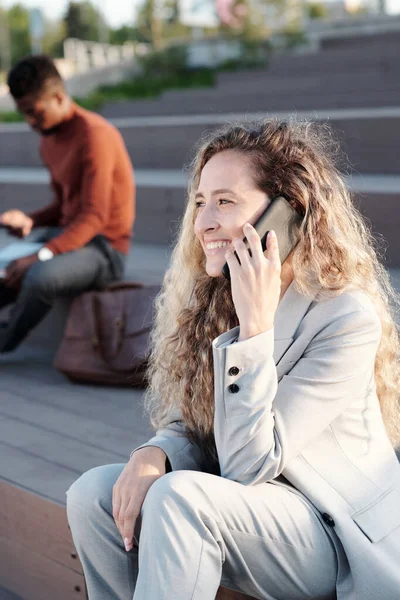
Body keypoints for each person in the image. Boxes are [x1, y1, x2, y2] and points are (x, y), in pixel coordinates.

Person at [66, 119, 400, 600]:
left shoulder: (345, 319)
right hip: (255, 514)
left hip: (334, 537)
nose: (203, 222)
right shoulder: (216, 300)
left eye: (225, 202)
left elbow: (248, 464)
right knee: (93, 495)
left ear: (289, 212)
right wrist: (153, 453)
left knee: (179, 499)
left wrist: (255, 330)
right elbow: (196, 419)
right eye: (200, 202)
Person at [0, 55, 135, 353]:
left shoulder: (95, 135)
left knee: (37, 277)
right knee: (6, 267)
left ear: (59, 97)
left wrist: (40, 256)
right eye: (23, 114)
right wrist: (30, 221)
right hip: (69, 235)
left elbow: (95, 217)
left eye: (34, 113)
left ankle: (5, 341)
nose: (30, 122)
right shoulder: (49, 139)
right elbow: (64, 207)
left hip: (104, 249)